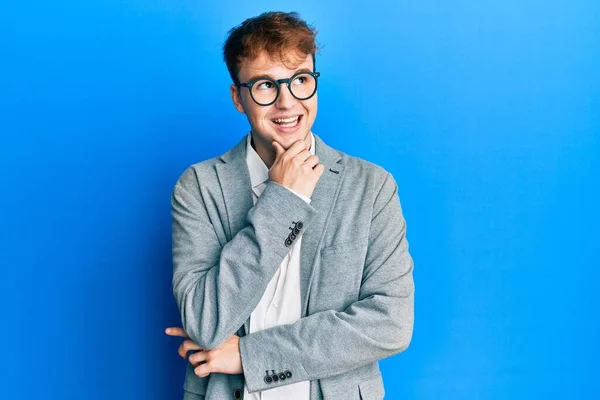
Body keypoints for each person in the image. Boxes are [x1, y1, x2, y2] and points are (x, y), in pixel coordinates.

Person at [165, 11, 414, 400]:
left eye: (300, 80)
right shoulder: (199, 187)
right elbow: (205, 323)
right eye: (266, 85)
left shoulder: (372, 187)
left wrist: (249, 355)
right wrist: (285, 199)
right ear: (238, 97)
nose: (287, 103)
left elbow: (390, 325)